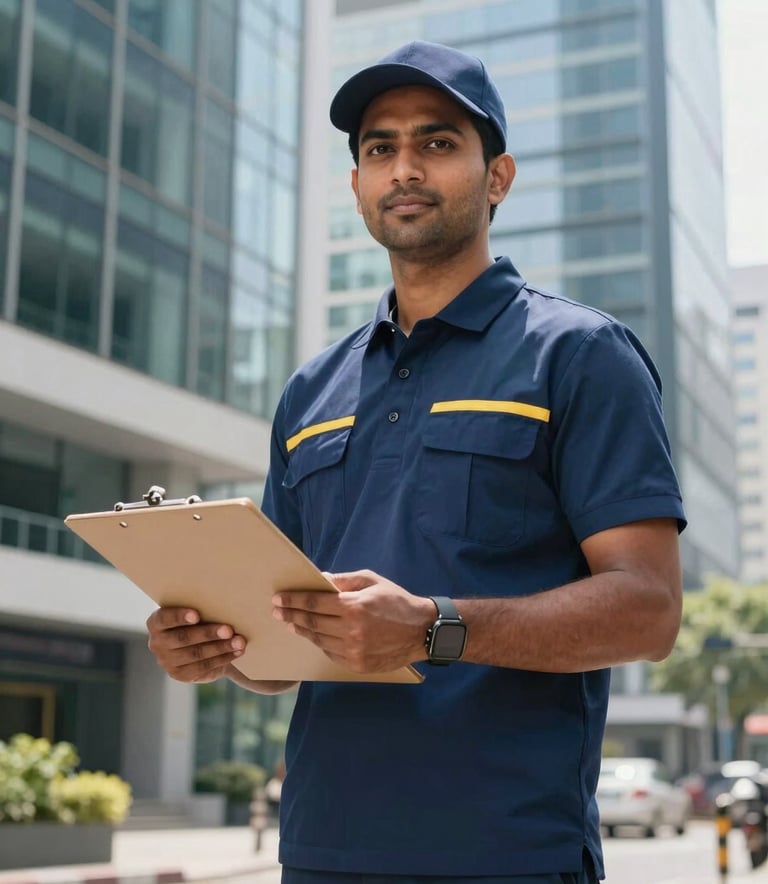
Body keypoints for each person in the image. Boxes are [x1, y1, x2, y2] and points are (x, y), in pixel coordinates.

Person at [146, 41, 686, 883]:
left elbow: (649, 611)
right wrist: (220, 649)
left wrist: (436, 627)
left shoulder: (580, 354)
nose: (404, 167)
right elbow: (280, 647)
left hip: (507, 854)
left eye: (437, 143)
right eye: (378, 148)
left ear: (497, 176)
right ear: (358, 184)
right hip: (321, 853)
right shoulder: (310, 389)